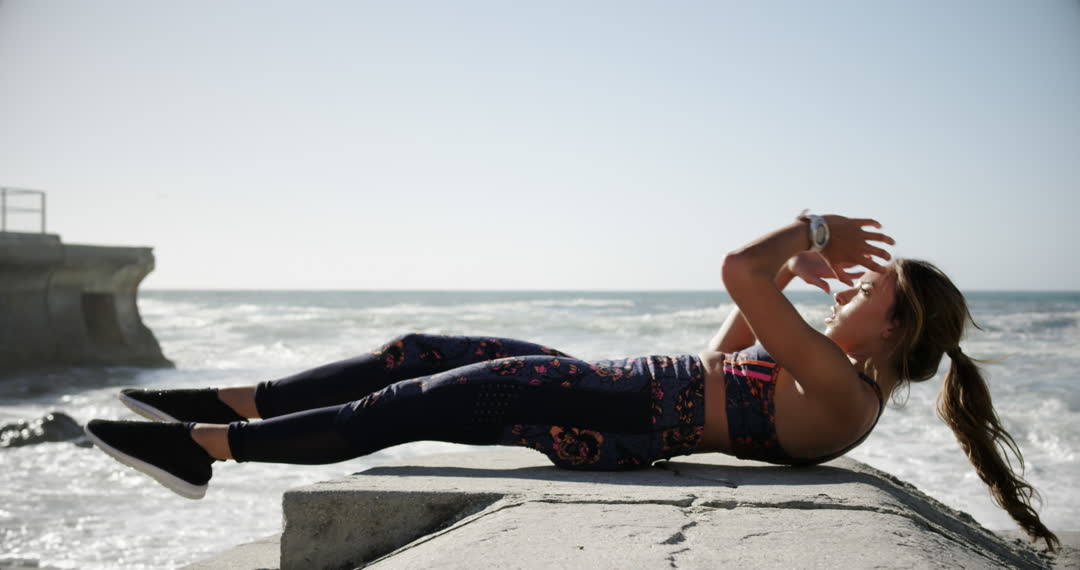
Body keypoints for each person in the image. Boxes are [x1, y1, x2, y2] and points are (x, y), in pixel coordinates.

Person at [85, 212, 1059, 551]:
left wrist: (807, 233)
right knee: (418, 352)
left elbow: (736, 268)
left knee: (406, 407)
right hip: (615, 389)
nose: (849, 285)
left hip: (616, 412)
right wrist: (789, 283)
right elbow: (725, 358)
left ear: (894, 326)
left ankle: (204, 452)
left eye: (867, 288)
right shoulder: (834, 375)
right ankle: (233, 403)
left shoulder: (846, 389)